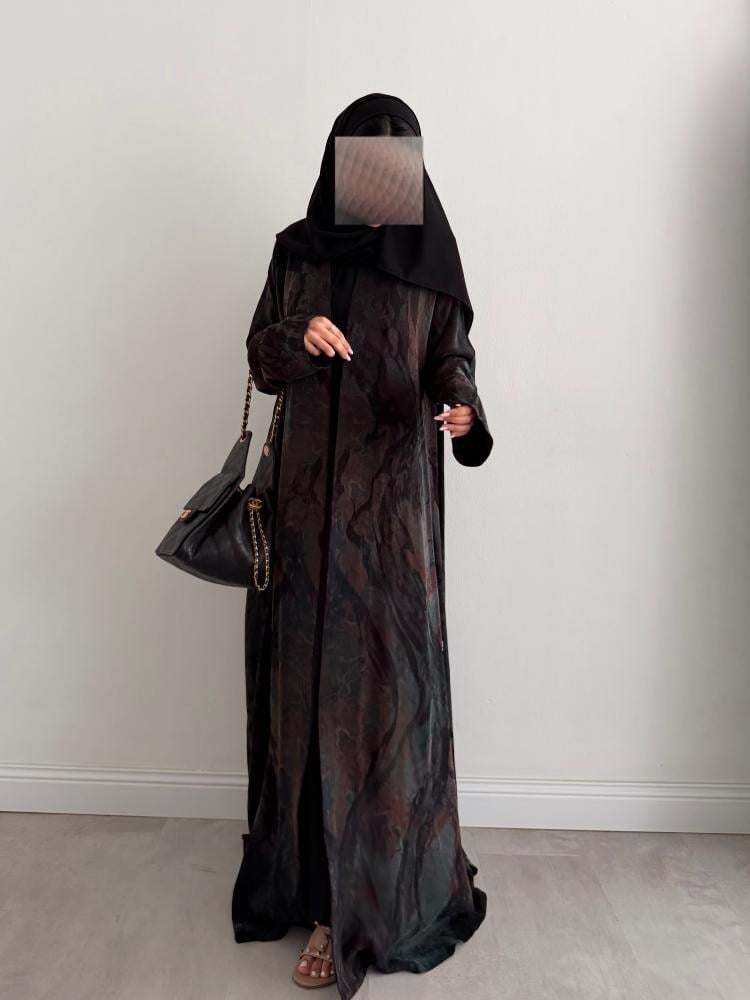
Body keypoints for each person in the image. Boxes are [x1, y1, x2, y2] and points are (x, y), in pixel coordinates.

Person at [231, 93, 493, 1000]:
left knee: (385, 701)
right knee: (307, 700)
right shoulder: (296, 251)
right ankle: (316, 896)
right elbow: (259, 356)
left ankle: (376, 898)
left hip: (390, 526)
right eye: (363, 169)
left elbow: (451, 356)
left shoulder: (430, 261)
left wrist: (463, 408)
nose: (379, 186)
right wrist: (296, 335)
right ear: (338, 168)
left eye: (394, 170)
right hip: (304, 516)